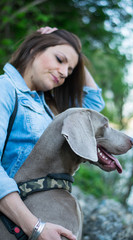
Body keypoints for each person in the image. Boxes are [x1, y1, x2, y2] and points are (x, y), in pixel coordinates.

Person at [0, 27, 105, 240]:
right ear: (34, 50)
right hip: (14, 225)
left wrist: (74, 51)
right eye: (59, 59)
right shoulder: (6, 89)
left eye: (70, 69)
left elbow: (94, 104)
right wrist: (35, 228)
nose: (65, 72)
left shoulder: (47, 104)